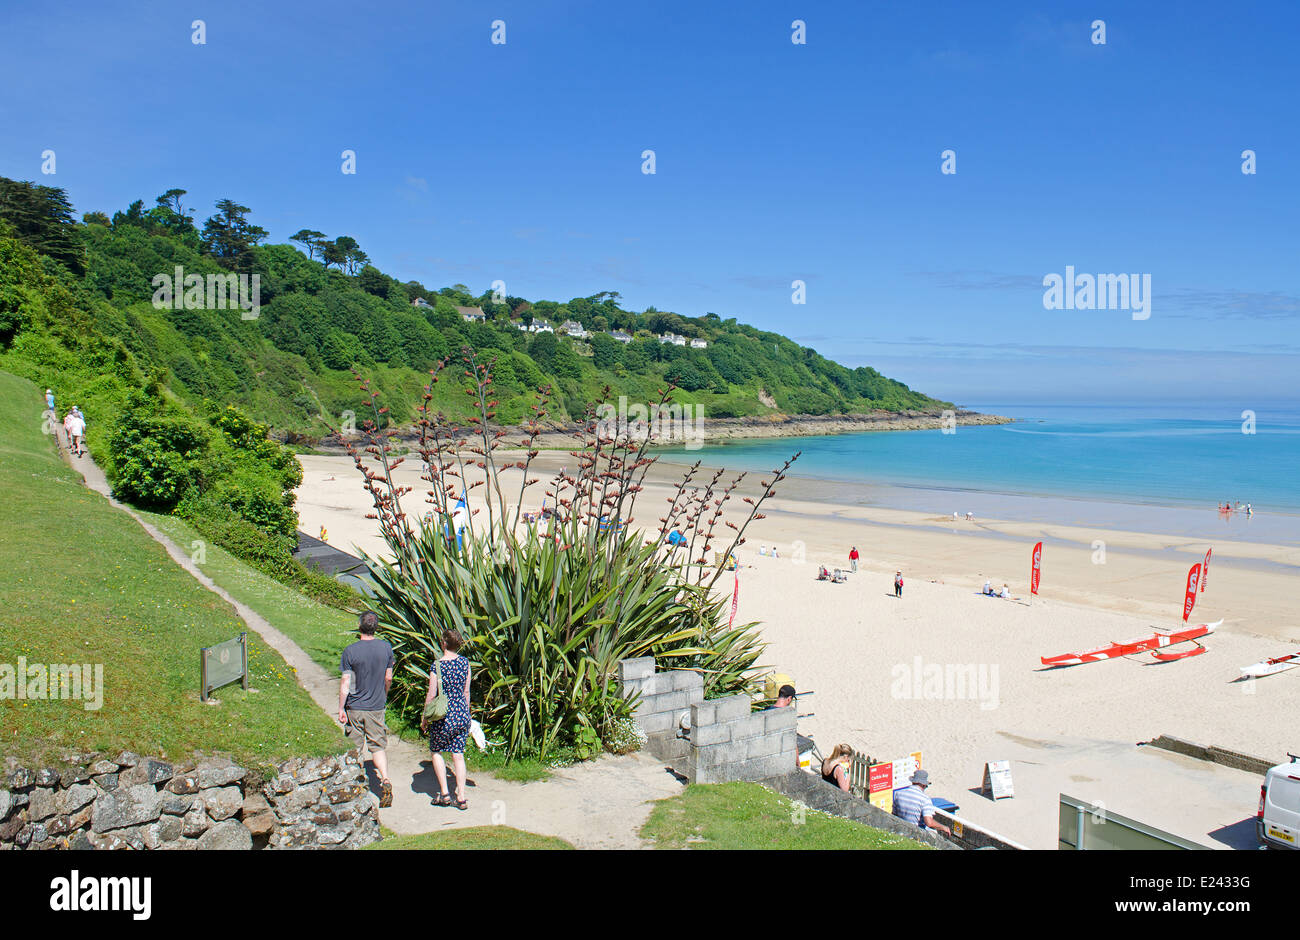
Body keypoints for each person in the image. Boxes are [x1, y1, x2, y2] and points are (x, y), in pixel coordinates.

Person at [339, 611, 395, 808]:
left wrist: (341, 707)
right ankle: (385, 780)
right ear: (376, 627)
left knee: (355, 748)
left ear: (359, 626)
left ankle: (354, 786)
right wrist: (384, 693)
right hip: (376, 705)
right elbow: (388, 677)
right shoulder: (386, 648)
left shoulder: (350, 651)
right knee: (377, 746)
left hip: (355, 705)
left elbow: (347, 681)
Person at [422, 628, 472, 810]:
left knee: (436, 750)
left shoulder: (437, 666)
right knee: (458, 755)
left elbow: (431, 694)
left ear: (444, 643)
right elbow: (466, 691)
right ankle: (461, 796)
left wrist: (425, 717)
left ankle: (444, 793)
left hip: (443, 715)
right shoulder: (465, 663)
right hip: (461, 713)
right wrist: (467, 714)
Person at [893, 769, 951, 835]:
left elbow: (894, 815)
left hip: (901, 829)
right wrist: (943, 827)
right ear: (923, 785)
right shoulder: (925, 799)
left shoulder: (898, 794)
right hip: (915, 832)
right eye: (926, 786)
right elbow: (929, 823)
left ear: (913, 782)